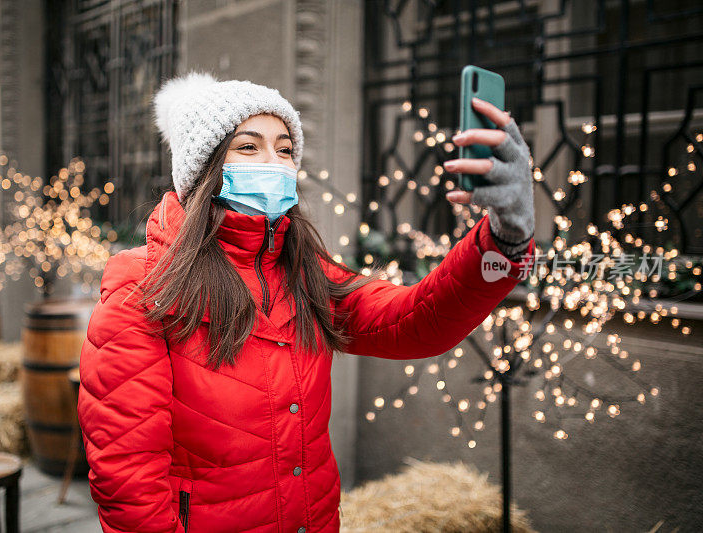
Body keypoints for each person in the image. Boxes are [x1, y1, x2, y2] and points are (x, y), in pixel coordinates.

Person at [77, 70, 535, 533]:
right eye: (249, 146)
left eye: (285, 148)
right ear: (205, 167)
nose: (273, 163)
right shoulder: (144, 286)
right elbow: (128, 479)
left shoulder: (305, 270)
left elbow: (416, 320)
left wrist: (504, 240)